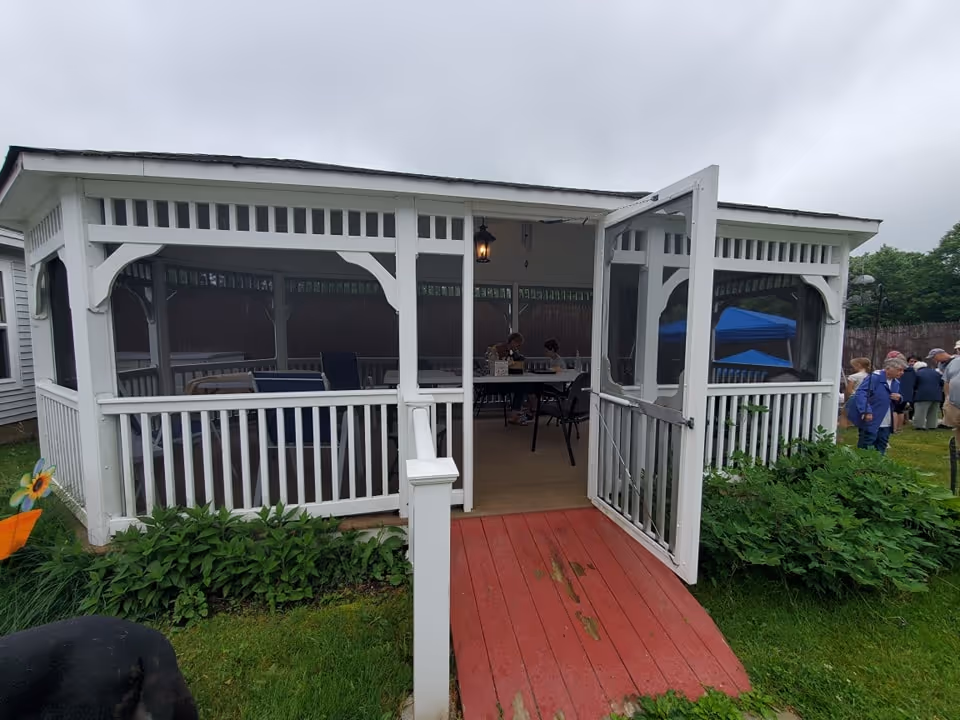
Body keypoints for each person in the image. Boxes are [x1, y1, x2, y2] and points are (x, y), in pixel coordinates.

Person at [853, 356, 906, 454]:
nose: (902, 373)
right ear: (888, 368)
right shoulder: (874, 378)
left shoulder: (896, 383)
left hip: (887, 421)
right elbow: (861, 393)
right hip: (872, 419)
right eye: (899, 370)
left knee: (881, 446)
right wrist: (866, 410)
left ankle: (878, 463)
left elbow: (894, 400)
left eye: (903, 370)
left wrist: (899, 398)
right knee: (866, 446)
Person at [492, 332, 533, 424]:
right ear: (513, 341)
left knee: (524, 387)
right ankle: (517, 414)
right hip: (497, 381)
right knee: (521, 388)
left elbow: (516, 361)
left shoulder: (513, 351)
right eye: (518, 344)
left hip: (507, 380)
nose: (518, 347)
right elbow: (498, 365)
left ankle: (519, 412)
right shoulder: (499, 349)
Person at [935, 345, 960, 448]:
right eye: (959, 349)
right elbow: (946, 380)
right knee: (957, 426)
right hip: (954, 401)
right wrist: (947, 397)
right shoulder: (953, 362)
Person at [912, 359, 943, 430]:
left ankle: (919, 425)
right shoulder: (936, 372)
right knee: (933, 412)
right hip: (936, 395)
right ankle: (932, 425)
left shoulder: (917, 373)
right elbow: (942, 382)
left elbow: (914, 384)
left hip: (923, 395)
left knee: (920, 411)